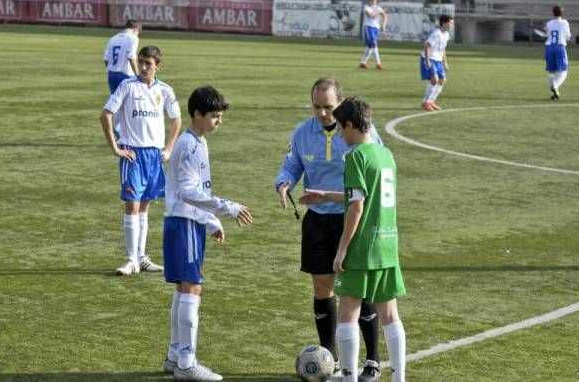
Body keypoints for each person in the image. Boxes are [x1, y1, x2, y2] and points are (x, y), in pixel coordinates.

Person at [275, 78, 384, 382]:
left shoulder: (359, 131)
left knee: (358, 289)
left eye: (329, 107)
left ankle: (373, 359)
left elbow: (378, 163)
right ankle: (329, 357)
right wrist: (284, 182)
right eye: (317, 107)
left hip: (352, 218)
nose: (323, 113)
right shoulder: (301, 133)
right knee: (322, 287)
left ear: (342, 102)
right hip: (318, 220)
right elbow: (292, 163)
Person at [302, 97, 406, 382]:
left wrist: (342, 250)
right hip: (387, 244)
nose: (339, 136)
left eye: (341, 129)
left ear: (350, 124)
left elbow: (357, 206)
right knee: (390, 314)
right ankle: (399, 378)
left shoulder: (356, 157)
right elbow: (364, 196)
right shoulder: (386, 155)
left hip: (363, 247)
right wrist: (325, 195)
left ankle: (347, 377)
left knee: (348, 312)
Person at [162, 86, 253, 381]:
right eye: (214, 116)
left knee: (183, 288)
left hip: (186, 222)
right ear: (197, 114)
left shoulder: (196, 141)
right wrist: (226, 207)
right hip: (184, 222)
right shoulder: (189, 145)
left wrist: (211, 220)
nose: (219, 121)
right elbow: (189, 192)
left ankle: (175, 356)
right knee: (192, 287)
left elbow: (195, 190)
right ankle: (187, 363)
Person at [100, 45, 182, 276]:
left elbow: (176, 120)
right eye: (141, 62)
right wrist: (115, 148)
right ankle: (130, 259)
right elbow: (105, 114)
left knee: (144, 206)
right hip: (133, 154)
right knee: (132, 205)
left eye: (149, 63)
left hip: (154, 156)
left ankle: (141, 257)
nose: (143, 67)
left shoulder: (165, 90)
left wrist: (168, 149)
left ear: (158, 66)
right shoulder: (127, 85)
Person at [103, 19, 142, 137]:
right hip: (125, 75)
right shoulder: (133, 38)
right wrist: (137, 75)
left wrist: (112, 68)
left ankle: (119, 130)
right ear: (136, 29)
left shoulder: (113, 38)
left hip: (112, 75)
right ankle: (120, 129)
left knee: (117, 103)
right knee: (132, 104)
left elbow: (106, 58)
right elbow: (131, 57)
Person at [420, 14, 454, 111]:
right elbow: (427, 46)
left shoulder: (446, 35)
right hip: (430, 58)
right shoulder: (436, 34)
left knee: (442, 80)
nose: (452, 25)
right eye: (450, 23)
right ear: (444, 23)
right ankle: (426, 102)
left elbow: (443, 49)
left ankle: (431, 101)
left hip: (438, 60)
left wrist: (445, 62)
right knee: (434, 79)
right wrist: (427, 61)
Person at [545, 5, 571, 100]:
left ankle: (554, 93)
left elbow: (548, 35)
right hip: (560, 48)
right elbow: (568, 37)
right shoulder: (564, 22)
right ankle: (555, 86)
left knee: (551, 71)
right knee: (563, 71)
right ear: (562, 13)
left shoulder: (549, 23)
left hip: (549, 47)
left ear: (553, 13)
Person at [359, 0, 387, 70]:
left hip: (376, 28)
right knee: (373, 44)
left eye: (375, 0)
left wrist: (383, 25)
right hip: (368, 27)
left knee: (370, 46)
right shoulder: (366, 7)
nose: (374, 2)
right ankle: (378, 63)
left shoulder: (378, 8)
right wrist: (379, 12)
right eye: (373, 0)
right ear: (369, 0)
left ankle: (363, 63)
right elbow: (371, 16)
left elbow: (385, 16)